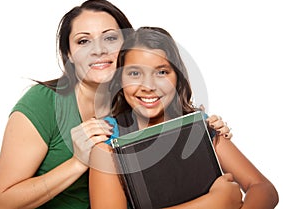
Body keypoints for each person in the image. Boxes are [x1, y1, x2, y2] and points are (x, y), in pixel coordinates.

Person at [0, 0, 232, 209]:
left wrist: (207, 133)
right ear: (69, 54)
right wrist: (78, 162)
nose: (98, 50)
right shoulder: (43, 103)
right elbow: (1, 203)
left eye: (110, 38)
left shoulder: (138, 101)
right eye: (83, 41)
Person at [89, 27, 279, 209]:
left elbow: (263, 188)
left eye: (161, 72)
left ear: (177, 77)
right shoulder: (107, 144)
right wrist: (214, 204)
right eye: (135, 73)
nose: (148, 86)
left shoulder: (199, 128)